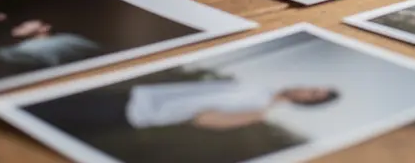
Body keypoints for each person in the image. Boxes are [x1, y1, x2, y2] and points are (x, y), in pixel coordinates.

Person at [125, 79, 339, 129]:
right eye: (313, 87)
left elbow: (206, 120)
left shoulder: (260, 112)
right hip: (141, 93)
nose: (306, 88)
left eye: (312, 94)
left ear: (305, 101)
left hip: (139, 112)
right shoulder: (259, 86)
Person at [0, 12, 99, 67]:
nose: (22, 24)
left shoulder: (69, 39)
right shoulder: (20, 50)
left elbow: (101, 51)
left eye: (28, 22)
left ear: (45, 27)